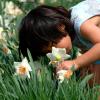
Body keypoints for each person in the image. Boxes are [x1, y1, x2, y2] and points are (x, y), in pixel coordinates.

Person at [18, 0, 100, 84]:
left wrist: (76, 62)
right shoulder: (69, 33)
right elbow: (89, 43)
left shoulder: (81, 25)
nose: (55, 52)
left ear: (60, 27)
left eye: (54, 45)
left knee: (94, 83)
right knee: (88, 79)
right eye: (48, 51)